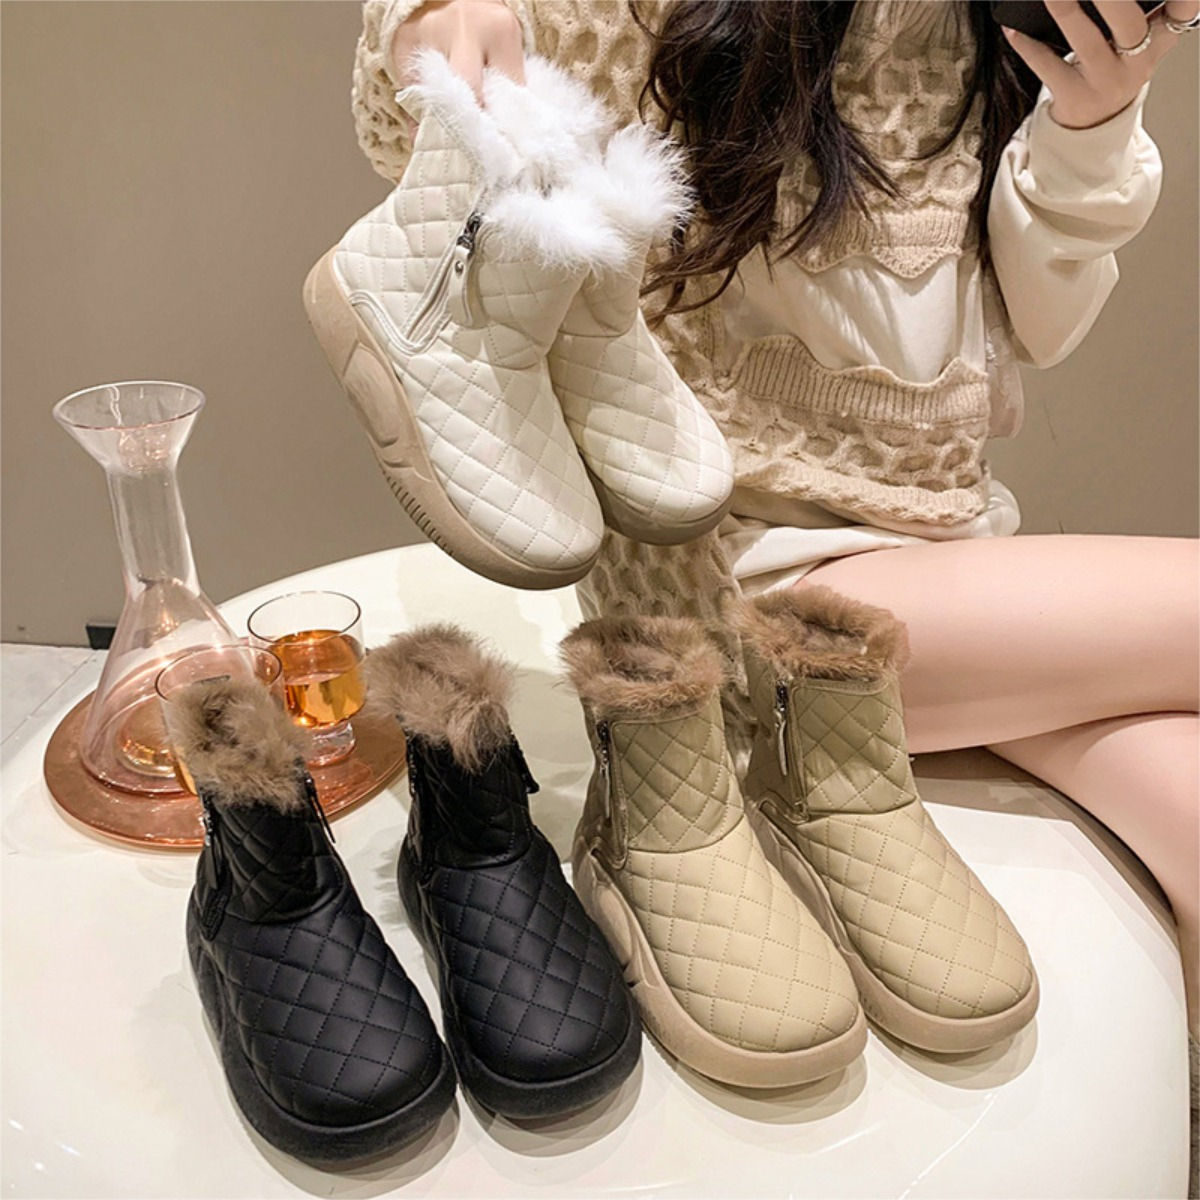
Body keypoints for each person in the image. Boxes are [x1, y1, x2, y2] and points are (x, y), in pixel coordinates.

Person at [351, 0, 1199, 1050]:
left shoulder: (985, 32)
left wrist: (1091, 126)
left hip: (953, 562)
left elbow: (1042, 328)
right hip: (746, 581)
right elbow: (419, 109)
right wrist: (431, 18)